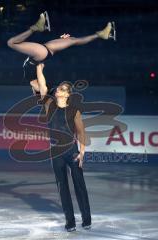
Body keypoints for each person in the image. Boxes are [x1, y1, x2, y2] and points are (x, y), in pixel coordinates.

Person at [7, 11, 116, 99]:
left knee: (73, 40)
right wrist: (42, 96)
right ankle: (35, 28)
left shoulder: (32, 82)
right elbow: (44, 89)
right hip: (41, 55)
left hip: (44, 52)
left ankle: (102, 34)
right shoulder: (38, 85)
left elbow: (43, 88)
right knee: (11, 43)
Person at [35, 63, 91, 232]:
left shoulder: (74, 111)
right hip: (55, 151)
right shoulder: (49, 105)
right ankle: (70, 221)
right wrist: (39, 69)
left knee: (79, 185)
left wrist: (82, 152)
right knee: (63, 187)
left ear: (67, 94)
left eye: (63, 88)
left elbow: (81, 132)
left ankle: (86, 219)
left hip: (71, 150)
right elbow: (42, 86)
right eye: (59, 87)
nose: (58, 89)